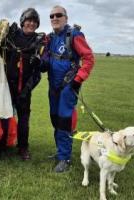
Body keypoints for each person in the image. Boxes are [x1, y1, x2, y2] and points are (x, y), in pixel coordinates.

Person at [0, 8, 45, 160]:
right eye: (29, 20)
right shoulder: (10, 36)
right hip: (7, 85)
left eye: (34, 21)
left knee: (24, 120)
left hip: (25, 87)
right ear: (22, 21)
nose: (31, 24)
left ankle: (23, 148)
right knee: (4, 117)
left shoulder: (39, 42)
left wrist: (27, 89)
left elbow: (38, 72)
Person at [43, 5, 94, 172]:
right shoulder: (50, 38)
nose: (55, 18)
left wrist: (78, 80)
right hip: (53, 86)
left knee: (65, 120)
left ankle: (65, 158)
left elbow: (88, 58)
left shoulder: (74, 35)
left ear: (66, 18)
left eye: (59, 15)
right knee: (55, 119)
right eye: (52, 16)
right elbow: (46, 59)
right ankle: (60, 152)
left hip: (68, 86)